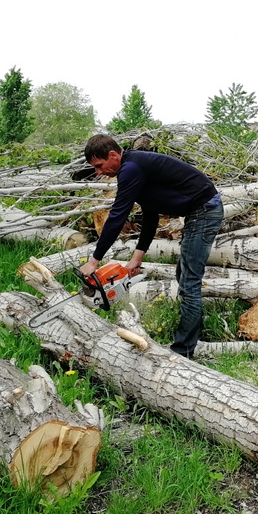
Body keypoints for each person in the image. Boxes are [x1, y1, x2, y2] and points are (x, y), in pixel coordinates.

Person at [80, 134, 223, 358]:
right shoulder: (134, 168)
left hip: (204, 210)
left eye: (99, 166)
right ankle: (190, 336)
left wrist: (94, 260)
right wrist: (138, 257)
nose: (99, 172)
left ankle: (182, 352)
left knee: (189, 282)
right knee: (183, 274)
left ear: (113, 155)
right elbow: (150, 214)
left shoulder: (131, 169)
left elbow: (117, 216)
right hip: (200, 210)